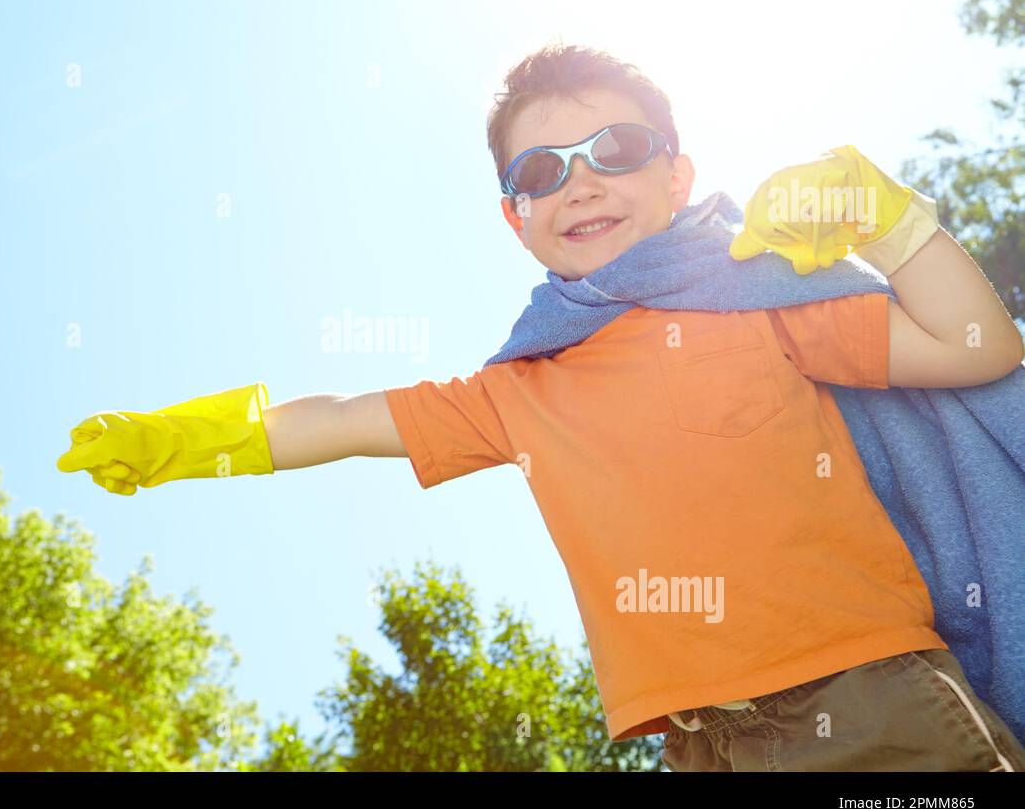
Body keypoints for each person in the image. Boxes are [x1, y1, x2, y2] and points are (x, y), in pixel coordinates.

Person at [56, 42, 1025, 772]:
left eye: (617, 147)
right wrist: (194, 439)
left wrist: (887, 222)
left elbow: (978, 349)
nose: (580, 180)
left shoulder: (758, 304)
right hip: (699, 749)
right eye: (538, 170)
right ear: (514, 217)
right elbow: (344, 417)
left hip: (872, 708)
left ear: (676, 175)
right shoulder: (518, 392)